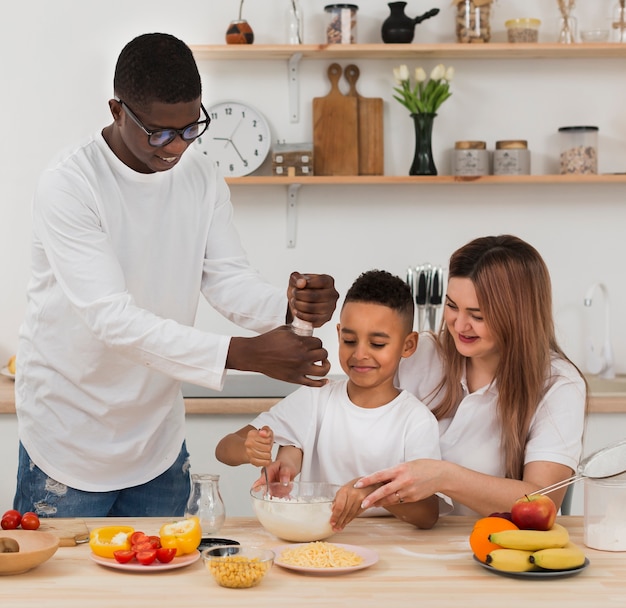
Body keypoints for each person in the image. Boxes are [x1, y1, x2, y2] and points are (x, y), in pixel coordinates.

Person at [13, 33, 338, 518]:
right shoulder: (71, 184)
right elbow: (112, 320)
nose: (178, 147)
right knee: (66, 594)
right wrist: (243, 354)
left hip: (156, 441)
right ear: (117, 110)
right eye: (160, 133)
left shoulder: (200, 177)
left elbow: (227, 280)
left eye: (191, 128)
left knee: (169, 590)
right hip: (69, 440)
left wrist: (290, 307)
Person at [354, 235, 586, 518]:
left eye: (477, 315)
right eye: (452, 306)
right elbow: (343, 408)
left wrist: (444, 477)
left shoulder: (558, 385)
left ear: (518, 315)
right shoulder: (419, 354)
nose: (460, 325)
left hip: (496, 549)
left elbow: (542, 502)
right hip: (403, 540)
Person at [216, 269, 443, 531]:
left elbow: (427, 514)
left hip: (389, 549)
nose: (360, 354)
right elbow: (224, 449)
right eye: (349, 340)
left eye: (377, 344)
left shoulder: (416, 421)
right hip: (318, 544)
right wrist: (248, 449)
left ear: (408, 345)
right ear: (338, 334)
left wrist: (373, 491)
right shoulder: (315, 399)